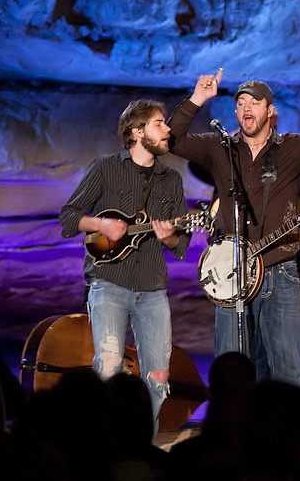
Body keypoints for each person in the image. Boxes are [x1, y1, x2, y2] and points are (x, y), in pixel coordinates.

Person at [169, 69, 300, 384]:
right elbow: (172, 141)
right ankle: (233, 430)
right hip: (231, 270)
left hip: (280, 270)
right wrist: (198, 98)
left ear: (269, 111)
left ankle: (284, 431)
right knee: (231, 369)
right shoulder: (220, 147)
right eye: (240, 103)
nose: (246, 109)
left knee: (284, 370)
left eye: (254, 103)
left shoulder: (293, 147)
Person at [59, 99, 191, 423]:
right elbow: (68, 217)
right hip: (108, 283)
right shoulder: (105, 167)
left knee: (159, 378)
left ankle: (139, 447)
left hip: (152, 287)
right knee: (107, 369)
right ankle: (105, 450)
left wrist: (168, 236)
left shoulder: (170, 179)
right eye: (159, 123)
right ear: (137, 131)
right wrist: (100, 225)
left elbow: (181, 245)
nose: (168, 130)